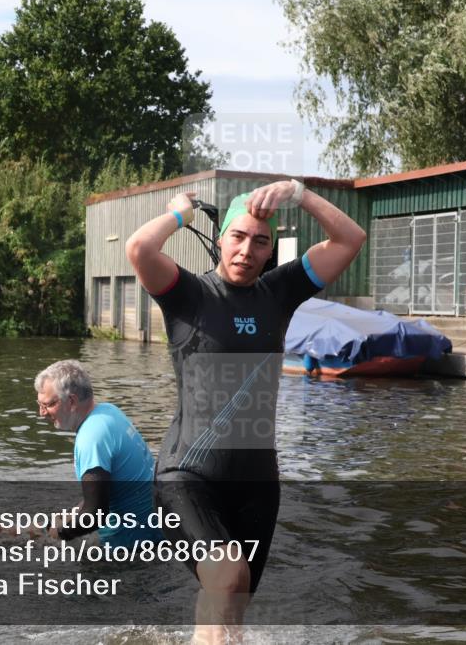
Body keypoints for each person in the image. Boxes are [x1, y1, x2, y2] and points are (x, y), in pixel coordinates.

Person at [125, 180, 365, 642]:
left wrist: (299, 193)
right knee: (228, 577)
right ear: (220, 240)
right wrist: (180, 214)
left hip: (256, 482)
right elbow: (138, 248)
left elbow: (350, 239)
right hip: (187, 474)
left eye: (260, 241)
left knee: (232, 606)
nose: (247, 250)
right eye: (238, 237)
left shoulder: (279, 292)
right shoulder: (187, 295)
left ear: (270, 250)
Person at [34, 360, 161, 548]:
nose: (41, 413)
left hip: (128, 548)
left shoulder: (91, 438)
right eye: (39, 404)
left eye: (48, 405)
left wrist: (60, 532)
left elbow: (95, 515)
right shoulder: (109, 412)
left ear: (71, 401)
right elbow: (107, 493)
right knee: (42, 526)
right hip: (157, 530)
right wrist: (66, 517)